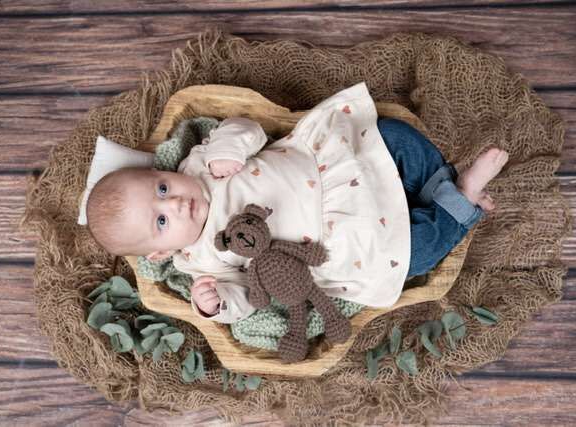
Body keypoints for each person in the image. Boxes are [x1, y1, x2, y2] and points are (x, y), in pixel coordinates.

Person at [84, 82, 508, 323]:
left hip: (331, 167)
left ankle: (438, 187)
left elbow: (247, 128)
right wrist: (216, 303)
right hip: (339, 240)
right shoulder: (199, 261)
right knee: (415, 255)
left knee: (393, 137)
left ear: (163, 172)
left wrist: (229, 148)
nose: (176, 203)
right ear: (160, 253)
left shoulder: (199, 164)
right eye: (161, 221)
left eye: (161, 189)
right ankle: (462, 199)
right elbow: (248, 295)